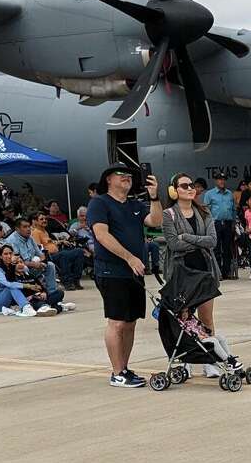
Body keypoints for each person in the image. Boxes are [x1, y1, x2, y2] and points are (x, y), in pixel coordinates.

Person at [87, 166, 163, 387]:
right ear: (108, 179)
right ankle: (117, 372)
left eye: (130, 175)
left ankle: (125, 368)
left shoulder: (135, 205)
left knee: (130, 322)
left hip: (135, 272)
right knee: (117, 322)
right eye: (121, 174)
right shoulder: (99, 203)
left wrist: (154, 196)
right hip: (112, 270)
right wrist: (129, 257)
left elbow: (155, 221)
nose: (127, 177)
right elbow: (101, 234)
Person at [162, 174, 221, 349]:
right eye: (184, 186)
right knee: (183, 318)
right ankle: (185, 360)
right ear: (174, 191)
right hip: (182, 272)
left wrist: (186, 236)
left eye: (191, 185)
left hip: (204, 268)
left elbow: (212, 241)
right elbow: (174, 244)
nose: (190, 189)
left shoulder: (204, 211)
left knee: (207, 318)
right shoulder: (169, 214)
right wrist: (198, 241)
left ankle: (211, 358)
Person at [4, 215, 61, 297]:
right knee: (24, 268)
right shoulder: (12, 241)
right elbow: (18, 262)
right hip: (18, 270)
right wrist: (34, 264)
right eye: (25, 227)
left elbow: (40, 254)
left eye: (29, 226)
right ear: (17, 229)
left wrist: (42, 262)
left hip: (32, 266)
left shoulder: (30, 238)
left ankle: (52, 293)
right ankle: (30, 295)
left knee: (50, 265)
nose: (28, 229)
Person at [202, 170, 238, 278]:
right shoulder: (209, 194)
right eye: (219, 179)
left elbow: (233, 210)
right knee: (216, 248)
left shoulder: (229, 193)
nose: (222, 181)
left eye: (223, 180)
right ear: (216, 181)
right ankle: (217, 272)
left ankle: (226, 272)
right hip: (215, 223)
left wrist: (233, 223)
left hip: (227, 223)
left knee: (227, 248)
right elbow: (206, 210)